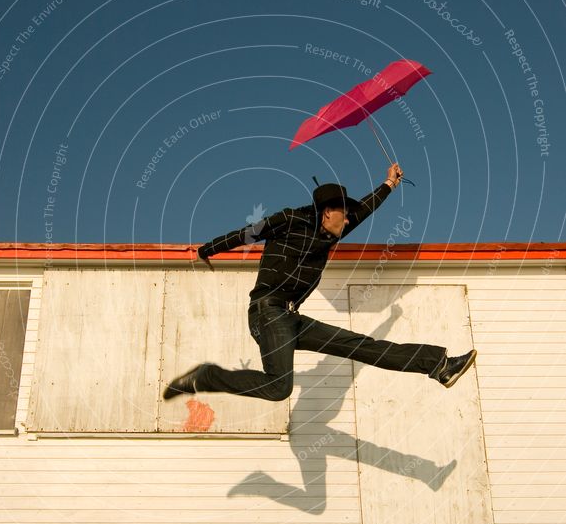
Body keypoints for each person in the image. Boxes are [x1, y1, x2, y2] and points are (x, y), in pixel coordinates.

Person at [163, 163, 476, 401]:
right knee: (278, 387)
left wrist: (390, 183)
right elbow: (249, 233)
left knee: (363, 347)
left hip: (291, 319)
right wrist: (207, 250)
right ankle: (206, 377)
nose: (350, 221)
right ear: (328, 213)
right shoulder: (288, 220)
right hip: (267, 314)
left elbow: (363, 211)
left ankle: (439, 364)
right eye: (345, 215)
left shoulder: (328, 235)